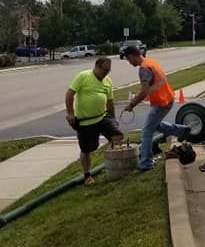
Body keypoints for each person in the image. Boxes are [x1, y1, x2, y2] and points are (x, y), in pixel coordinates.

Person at [124, 48, 190, 171]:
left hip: (161, 102)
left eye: (128, 59)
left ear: (132, 56)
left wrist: (132, 104)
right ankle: (182, 130)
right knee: (155, 125)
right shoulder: (150, 62)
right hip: (166, 98)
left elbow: (144, 92)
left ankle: (146, 163)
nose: (129, 62)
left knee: (147, 131)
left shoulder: (144, 68)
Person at [65, 56, 123, 185]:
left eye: (108, 71)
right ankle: (87, 176)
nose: (106, 73)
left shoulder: (107, 80)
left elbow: (110, 101)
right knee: (88, 149)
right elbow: (69, 94)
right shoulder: (83, 76)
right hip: (85, 122)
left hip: (103, 117)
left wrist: (113, 119)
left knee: (117, 135)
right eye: (104, 70)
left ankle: (116, 166)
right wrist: (70, 113)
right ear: (97, 67)